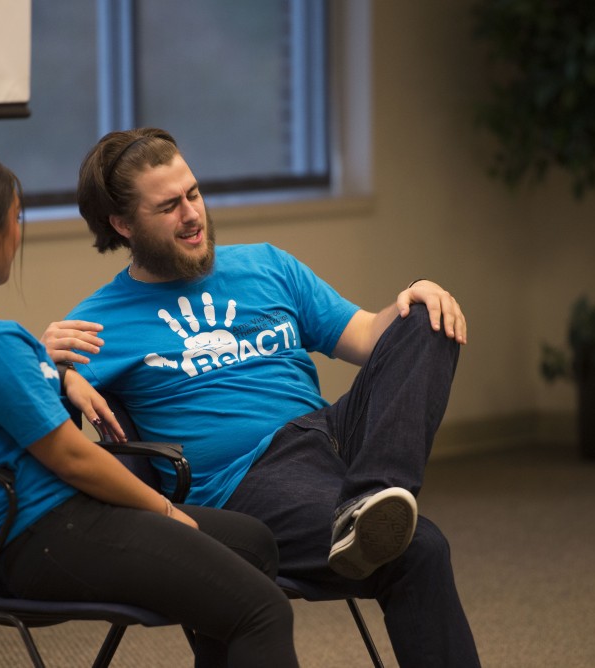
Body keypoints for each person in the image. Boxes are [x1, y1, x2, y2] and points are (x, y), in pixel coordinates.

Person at [43, 128, 481, 666]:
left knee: (427, 320)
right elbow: (40, 429)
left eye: (194, 194)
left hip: (331, 436)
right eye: (169, 206)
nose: (191, 215)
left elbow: (368, 336)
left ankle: (372, 497)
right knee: (420, 550)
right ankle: (364, 513)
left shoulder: (267, 265)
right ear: (123, 224)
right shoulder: (99, 322)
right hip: (245, 480)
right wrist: (54, 369)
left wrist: (416, 296)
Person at [0, 147, 299, 668]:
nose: (18, 234)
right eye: (16, 219)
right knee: (264, 611)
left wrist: (54, 370)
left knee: (252, 542)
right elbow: (74, 459)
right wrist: (164, 510)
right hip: (48, 534)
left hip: (15, 531)